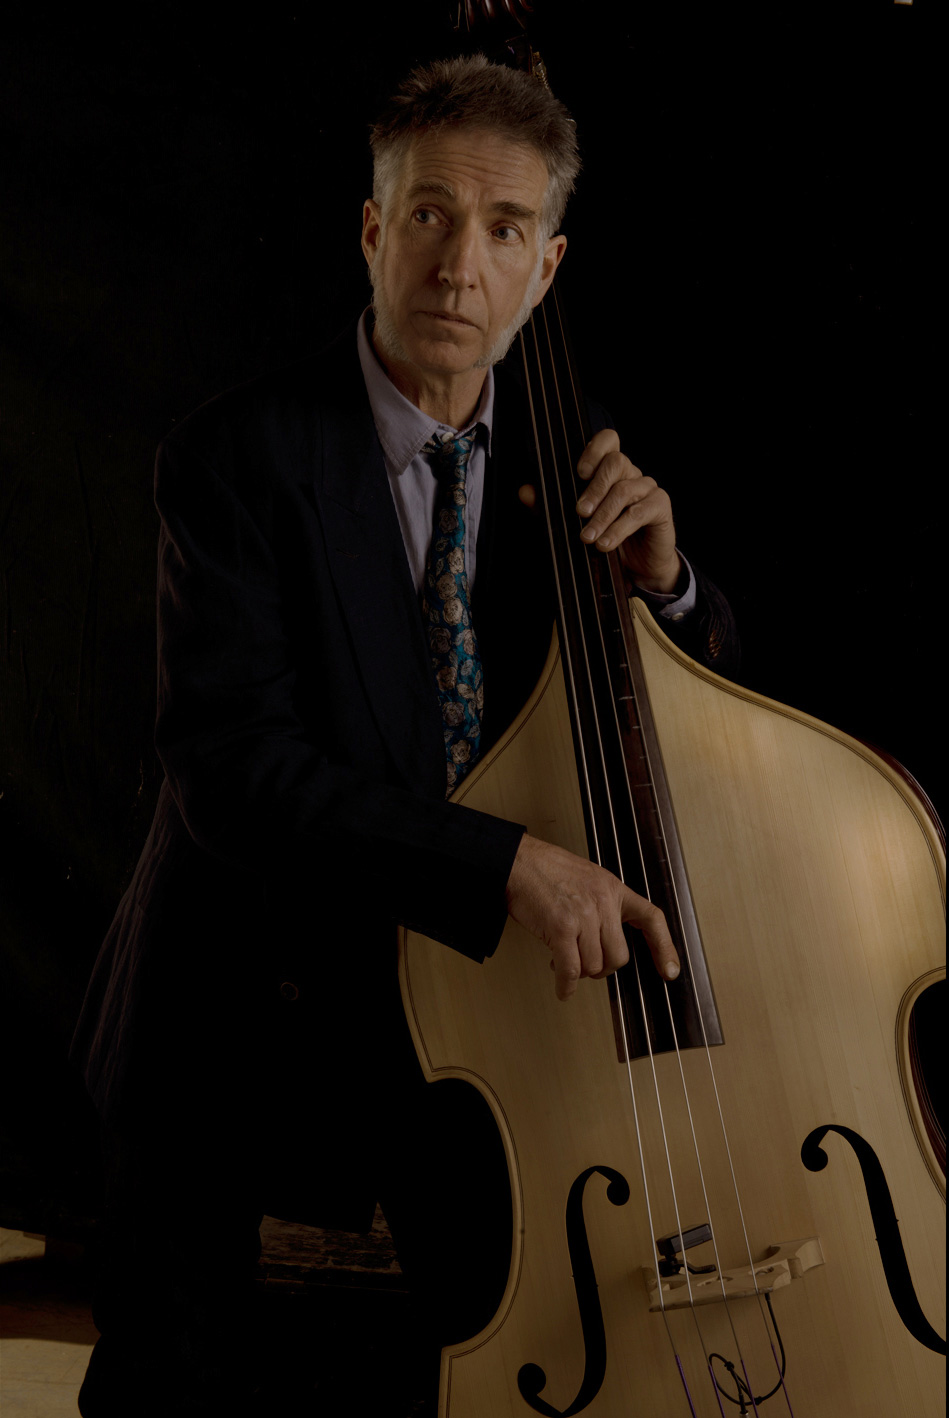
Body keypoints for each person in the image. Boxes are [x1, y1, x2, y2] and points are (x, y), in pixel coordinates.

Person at [72, 55, 739, 1416]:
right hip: (241, 1023)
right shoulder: (234, 457)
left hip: (469, 1030)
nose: (458, 264)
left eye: (502, 229)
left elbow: (681, 729)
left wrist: (666, 587)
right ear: (374, 232)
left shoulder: (573, 447)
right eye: (428, 215)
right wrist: (506, 865)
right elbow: (236, 771)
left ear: (544, 271)